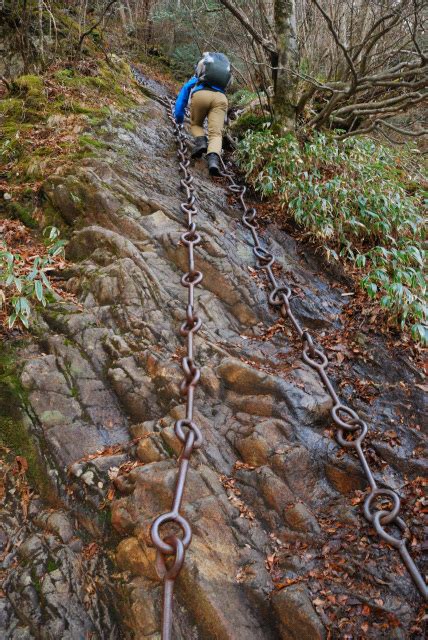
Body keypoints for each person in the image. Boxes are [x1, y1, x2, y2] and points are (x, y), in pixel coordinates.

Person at [174, 52, 231, 176]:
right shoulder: (224, 75)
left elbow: (185, 90)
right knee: (216, 134)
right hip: (221, 98)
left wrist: (179, 116)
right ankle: (213, 162)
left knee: (196, 125)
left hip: (201, 95)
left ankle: (201, 143)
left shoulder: (199, 77)